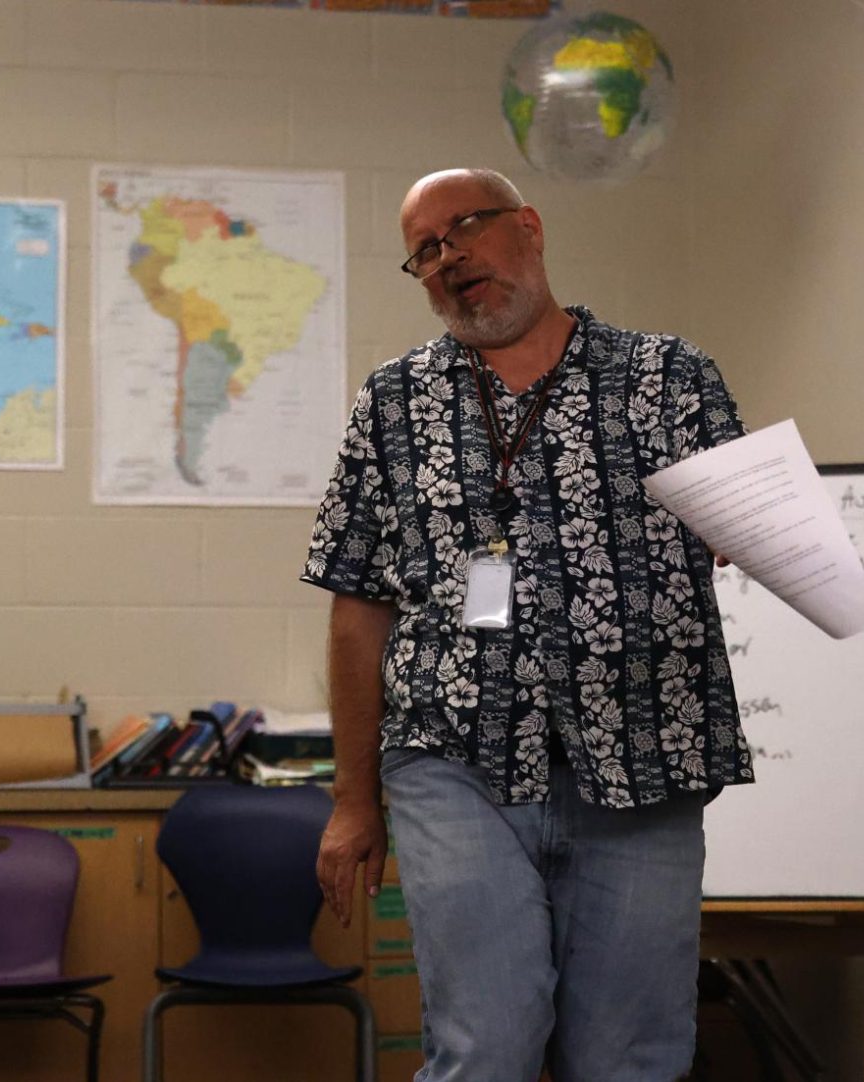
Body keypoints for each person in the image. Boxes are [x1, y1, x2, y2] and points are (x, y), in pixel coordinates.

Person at [302, 167, 754, 1082]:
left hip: (647, 755)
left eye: (464, 227)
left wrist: (752, 537)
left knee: (629, 1058)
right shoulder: (392, 405)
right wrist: (354, 803)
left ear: (530, 227)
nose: (448, 256)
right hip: (453, 756)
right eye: (424, 249)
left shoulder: (670, 377)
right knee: (488, 1047)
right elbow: (358, 607)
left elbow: (751, 526)